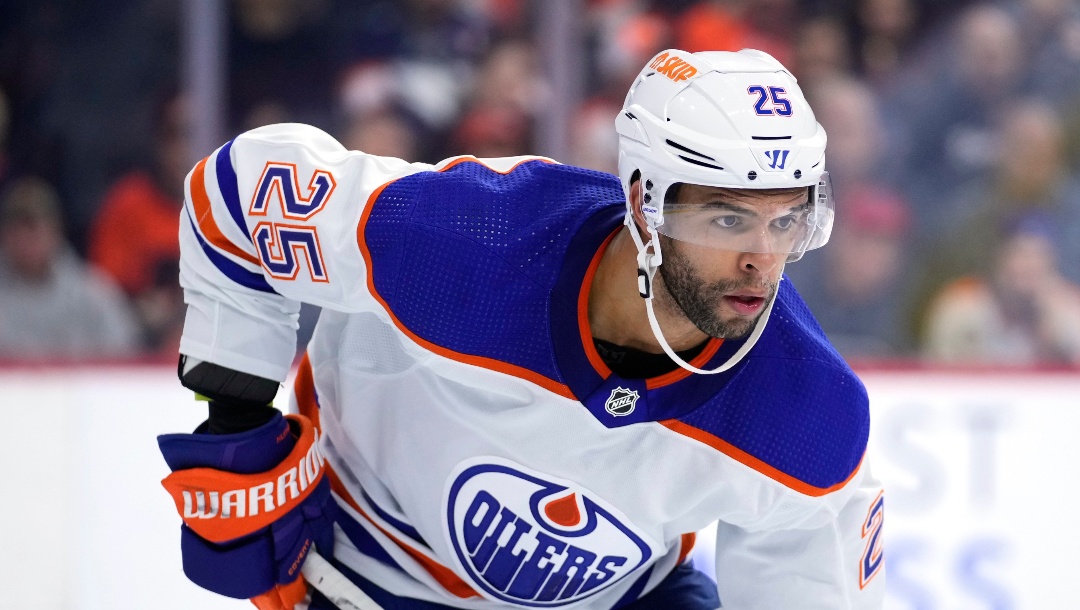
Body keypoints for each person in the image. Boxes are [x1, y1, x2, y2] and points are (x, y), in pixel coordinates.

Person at [157, 49, 885, 610]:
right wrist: (236, 419)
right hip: (370, 568)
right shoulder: (465, 238)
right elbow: (238, 193)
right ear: (644, 201)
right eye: (727, 218)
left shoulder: (809, 413)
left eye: (787, 219)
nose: (763, 258)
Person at [0, 177, 139, 360]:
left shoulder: (95, 292)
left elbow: (126, 356)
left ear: (55, 231)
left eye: (33, 229)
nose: (25, 241)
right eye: (17, 230)